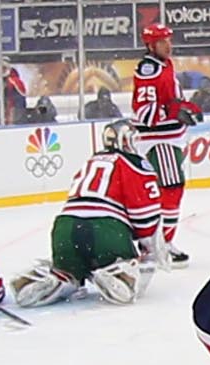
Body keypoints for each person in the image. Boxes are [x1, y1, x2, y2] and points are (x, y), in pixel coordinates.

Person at [11, 123, 163, 306]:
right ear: (127, 140)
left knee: (70, 268)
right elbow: (145, 212)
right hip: (107, 230)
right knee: (132, 264)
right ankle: (117, 272)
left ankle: (58, 277)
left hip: (64, 229)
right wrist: (149, 248)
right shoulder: (135, 163)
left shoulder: (91, 161)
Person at [126, 26, 198, 262]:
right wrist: (172, 111)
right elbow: (144, 111)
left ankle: (157, 243)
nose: (168, 45)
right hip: (160, 140)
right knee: (171, 188)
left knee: (166, 189)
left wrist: (181, 106)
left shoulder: (164, 65)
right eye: (162, 42)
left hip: (169, 139)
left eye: (168, 40)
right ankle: (161, 244)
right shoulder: (149, 69)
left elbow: (168, 100)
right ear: (150, 46)